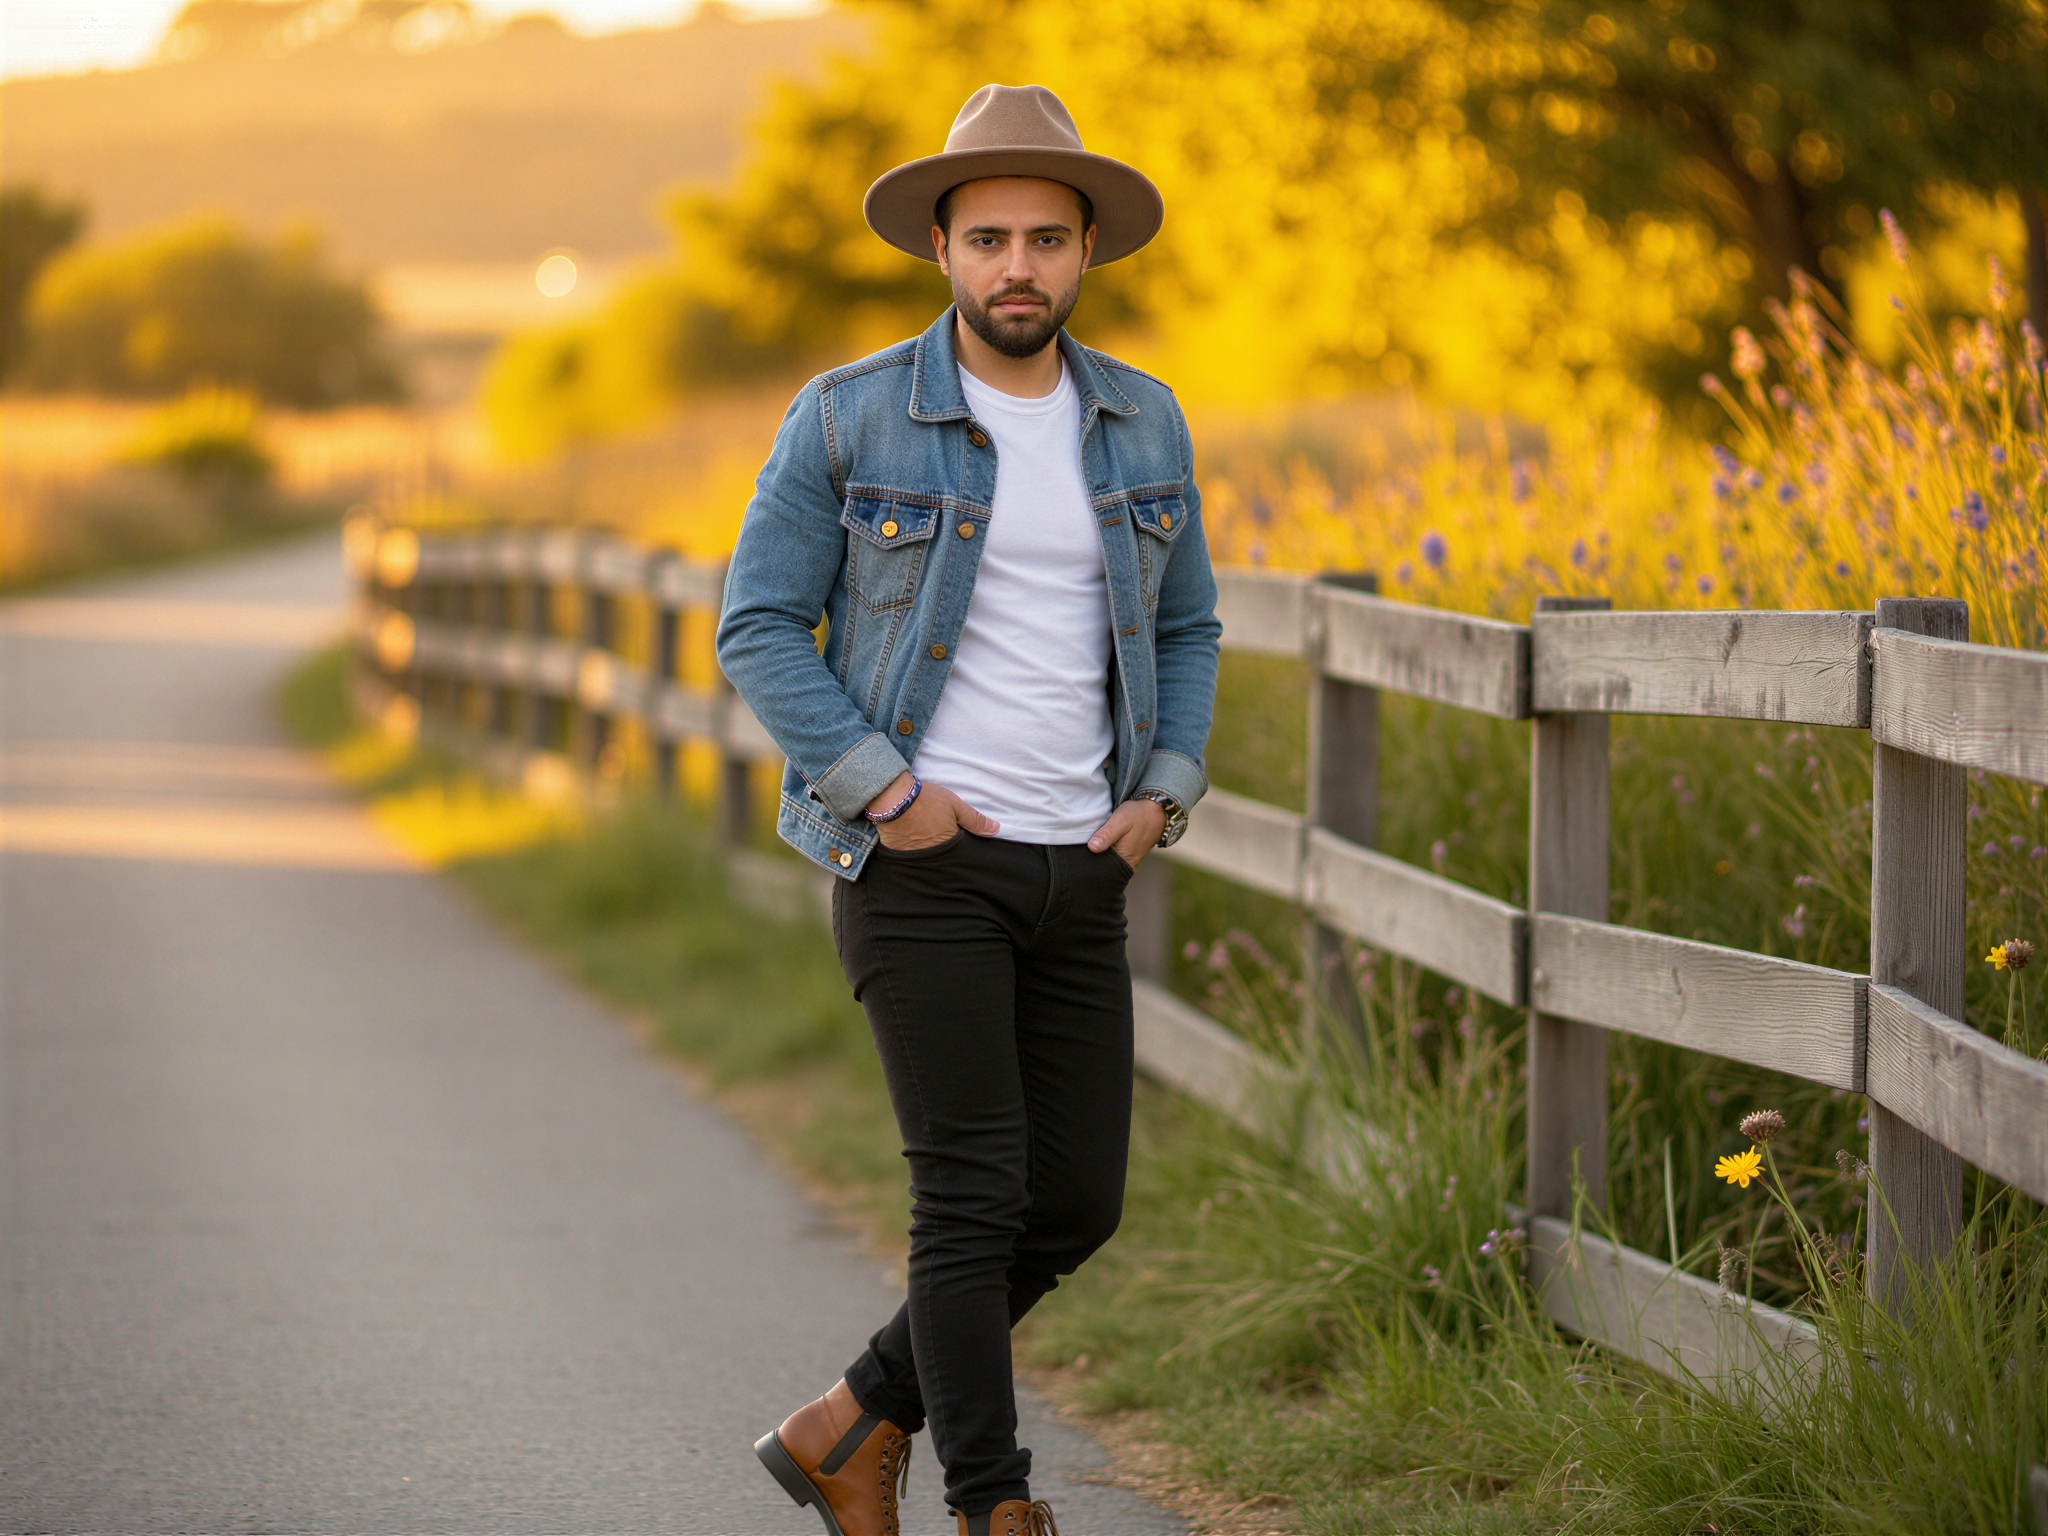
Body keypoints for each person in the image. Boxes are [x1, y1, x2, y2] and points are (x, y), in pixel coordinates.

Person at [717, 82, 1221, 1536]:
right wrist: (892, 791)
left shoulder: (1141, 420)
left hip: (1086, 867)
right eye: (990, 236)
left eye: (1047, 239)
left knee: (1078, 1203)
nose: (1020, 266)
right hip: (920, 865)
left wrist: (1160, 796)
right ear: (939, 247)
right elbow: (756, 626)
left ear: (1086, 255)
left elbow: (1185, 629)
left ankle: (850, 1423)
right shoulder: (852, 413)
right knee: (974, 1202)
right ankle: (994, 1510)